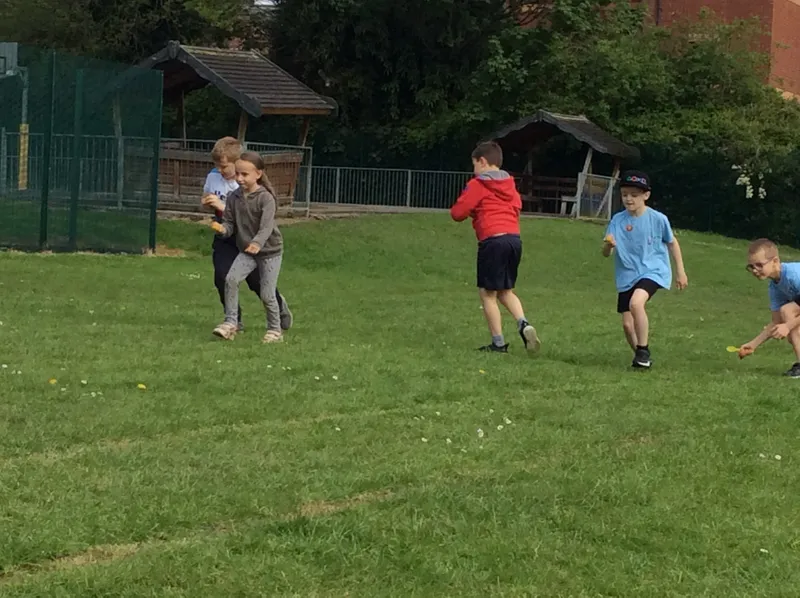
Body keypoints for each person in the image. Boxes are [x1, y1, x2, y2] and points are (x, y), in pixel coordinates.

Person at [450, 141, 540, 354]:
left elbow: (457, 213)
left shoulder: (478, 184)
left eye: (474, 164)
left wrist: (476, 213)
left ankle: (498, 343)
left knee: (487, 293)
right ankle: (524, 324)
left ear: (482, 161)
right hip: (513, 240)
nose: (474, 170)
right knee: (505, 290)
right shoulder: (510, 184)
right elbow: (517, 207)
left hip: (492, 240)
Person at [201, 136, 292, 332]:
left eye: (224, 166)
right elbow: (228, 216)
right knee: (224, 277)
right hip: (227, 234)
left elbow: (248, 215)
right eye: (217, 165)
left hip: (251, 237)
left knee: (257, 282)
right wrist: (211, 207)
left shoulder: (246, 184)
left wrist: (222, 206)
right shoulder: (215, 177)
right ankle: (233, 322)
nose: (220, 170)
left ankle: (279, 308)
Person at [602, 170, 688, 369]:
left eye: (634, 195)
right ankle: (642, 358)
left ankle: (643, 349)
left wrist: (680, 271)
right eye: (625, 194)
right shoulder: (617, 220)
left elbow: (672, 243)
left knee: (636, 303)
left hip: (653, 270)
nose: (628, 199)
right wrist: (608, 245)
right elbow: (606, 253)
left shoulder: (658, 219)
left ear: (646, 196)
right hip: (626, 275)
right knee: (626, 324)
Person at [737, 238, 800, 377]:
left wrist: (788, 326)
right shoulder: (775, 287)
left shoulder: (793, 276)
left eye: (759, 265)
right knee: (792, 332)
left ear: (775, 261)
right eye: (751, 266)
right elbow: (776, 321)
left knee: (788, 313)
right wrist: (753, 344)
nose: (755, 270)